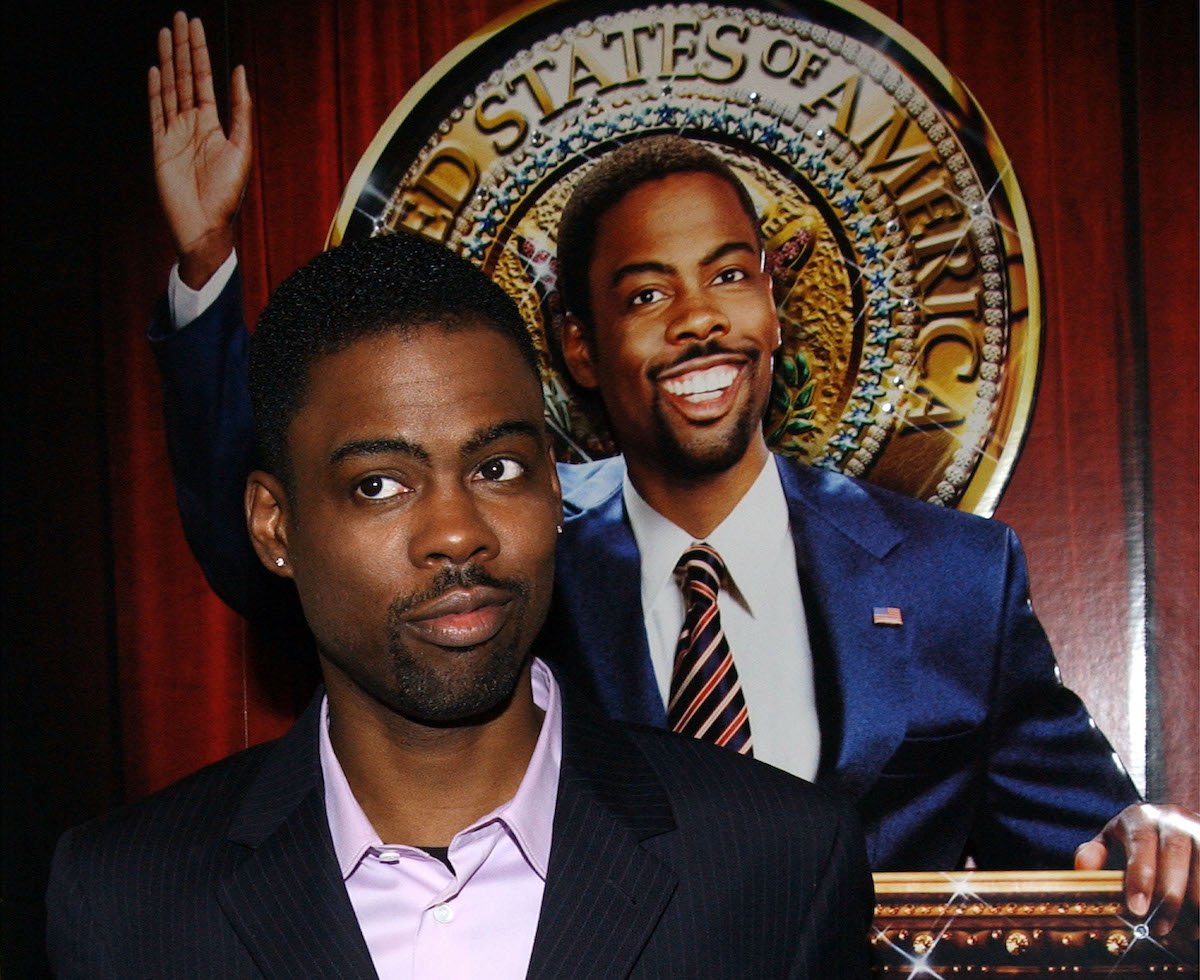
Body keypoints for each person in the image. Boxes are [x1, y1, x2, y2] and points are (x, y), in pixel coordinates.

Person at [143, 12, 1199, 935]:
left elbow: (1096, 840)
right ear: (581, 346)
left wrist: (1147, 833)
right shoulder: (521, 557)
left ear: (776, 312)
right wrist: (205, 271)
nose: (700, 318)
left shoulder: (958, 574)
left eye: (730, 276)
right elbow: (282, 562)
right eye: (647, 293)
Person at [48, 231, 874, 977]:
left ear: (556, 488)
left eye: (497, 469)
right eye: (378, 485)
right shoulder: (127, 904)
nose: (455, 532)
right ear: (277, 527)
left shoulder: (780, 863)